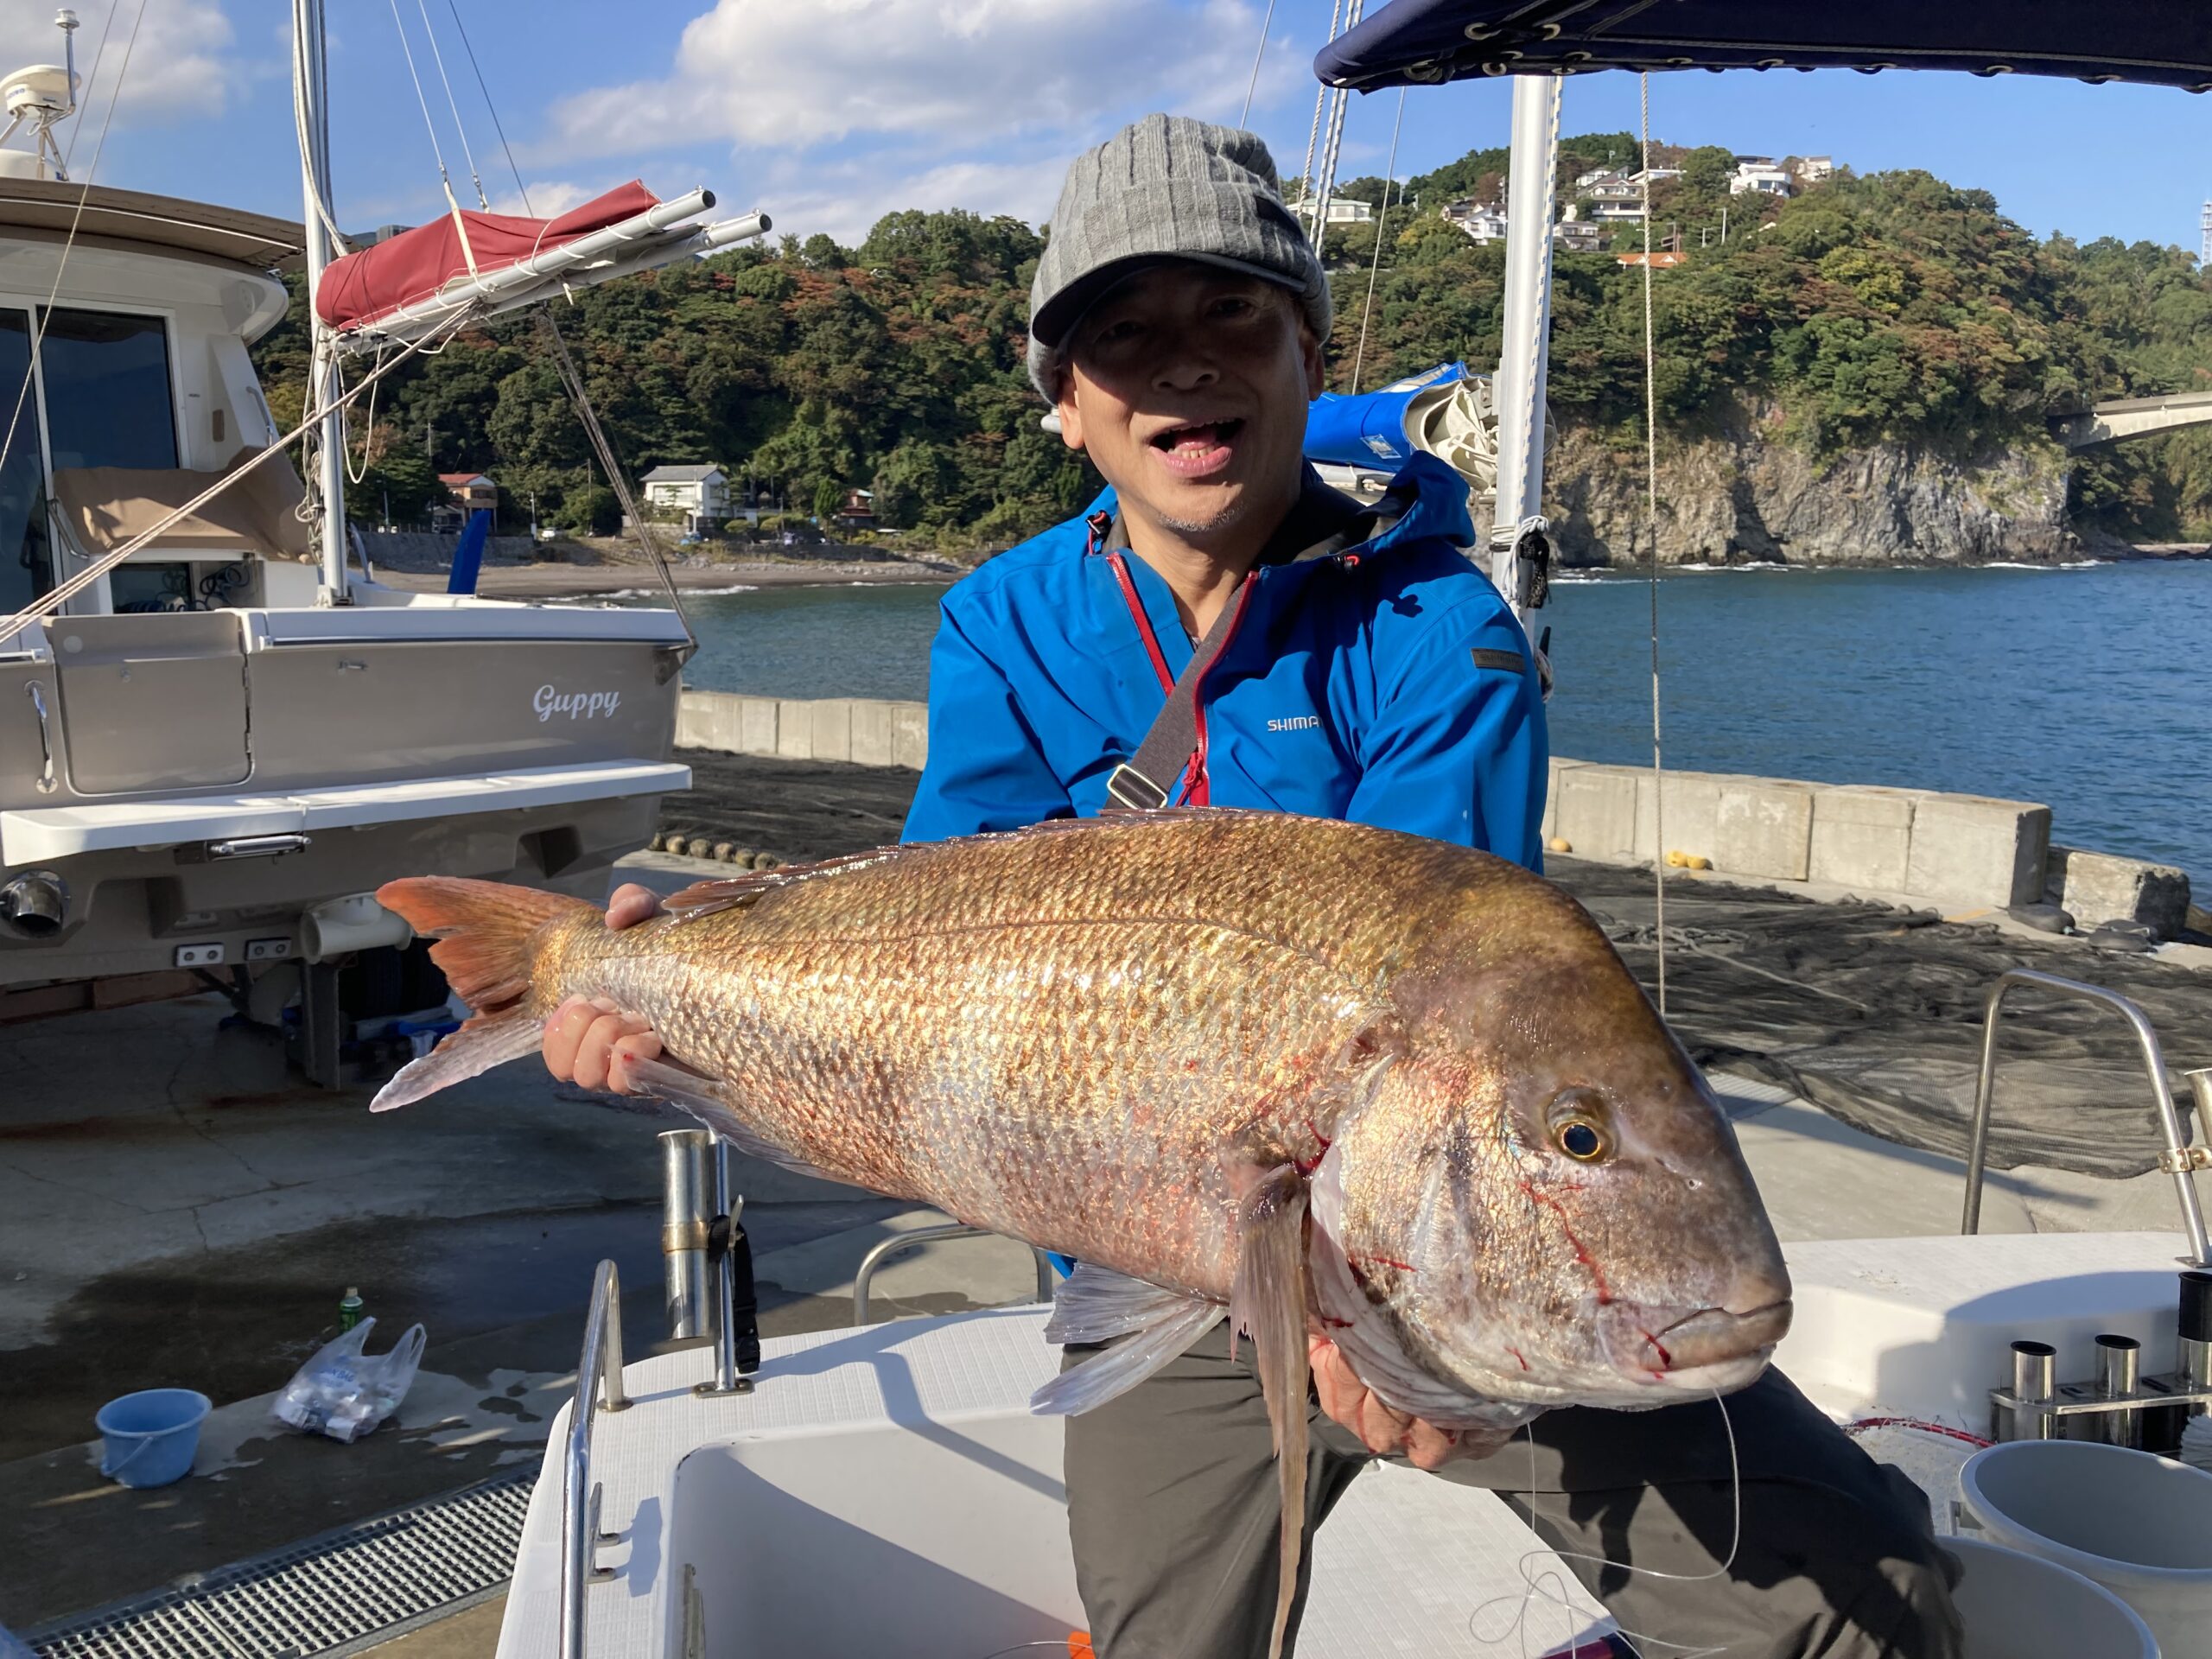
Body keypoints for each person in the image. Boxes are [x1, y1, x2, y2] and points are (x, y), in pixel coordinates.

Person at [543, 115, 1961, 1659]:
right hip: (1156, 1264)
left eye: (1234, 315)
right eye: (1124, 336)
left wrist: (1418, 1354)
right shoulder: (1003, 621)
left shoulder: (1439, 628)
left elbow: (1464, 998)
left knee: (1861, 1599)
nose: (1184, 364)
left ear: (1304, 352)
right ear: (1067, 404)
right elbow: (937, 938)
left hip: (1448, 1250)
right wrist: (671, 1006)